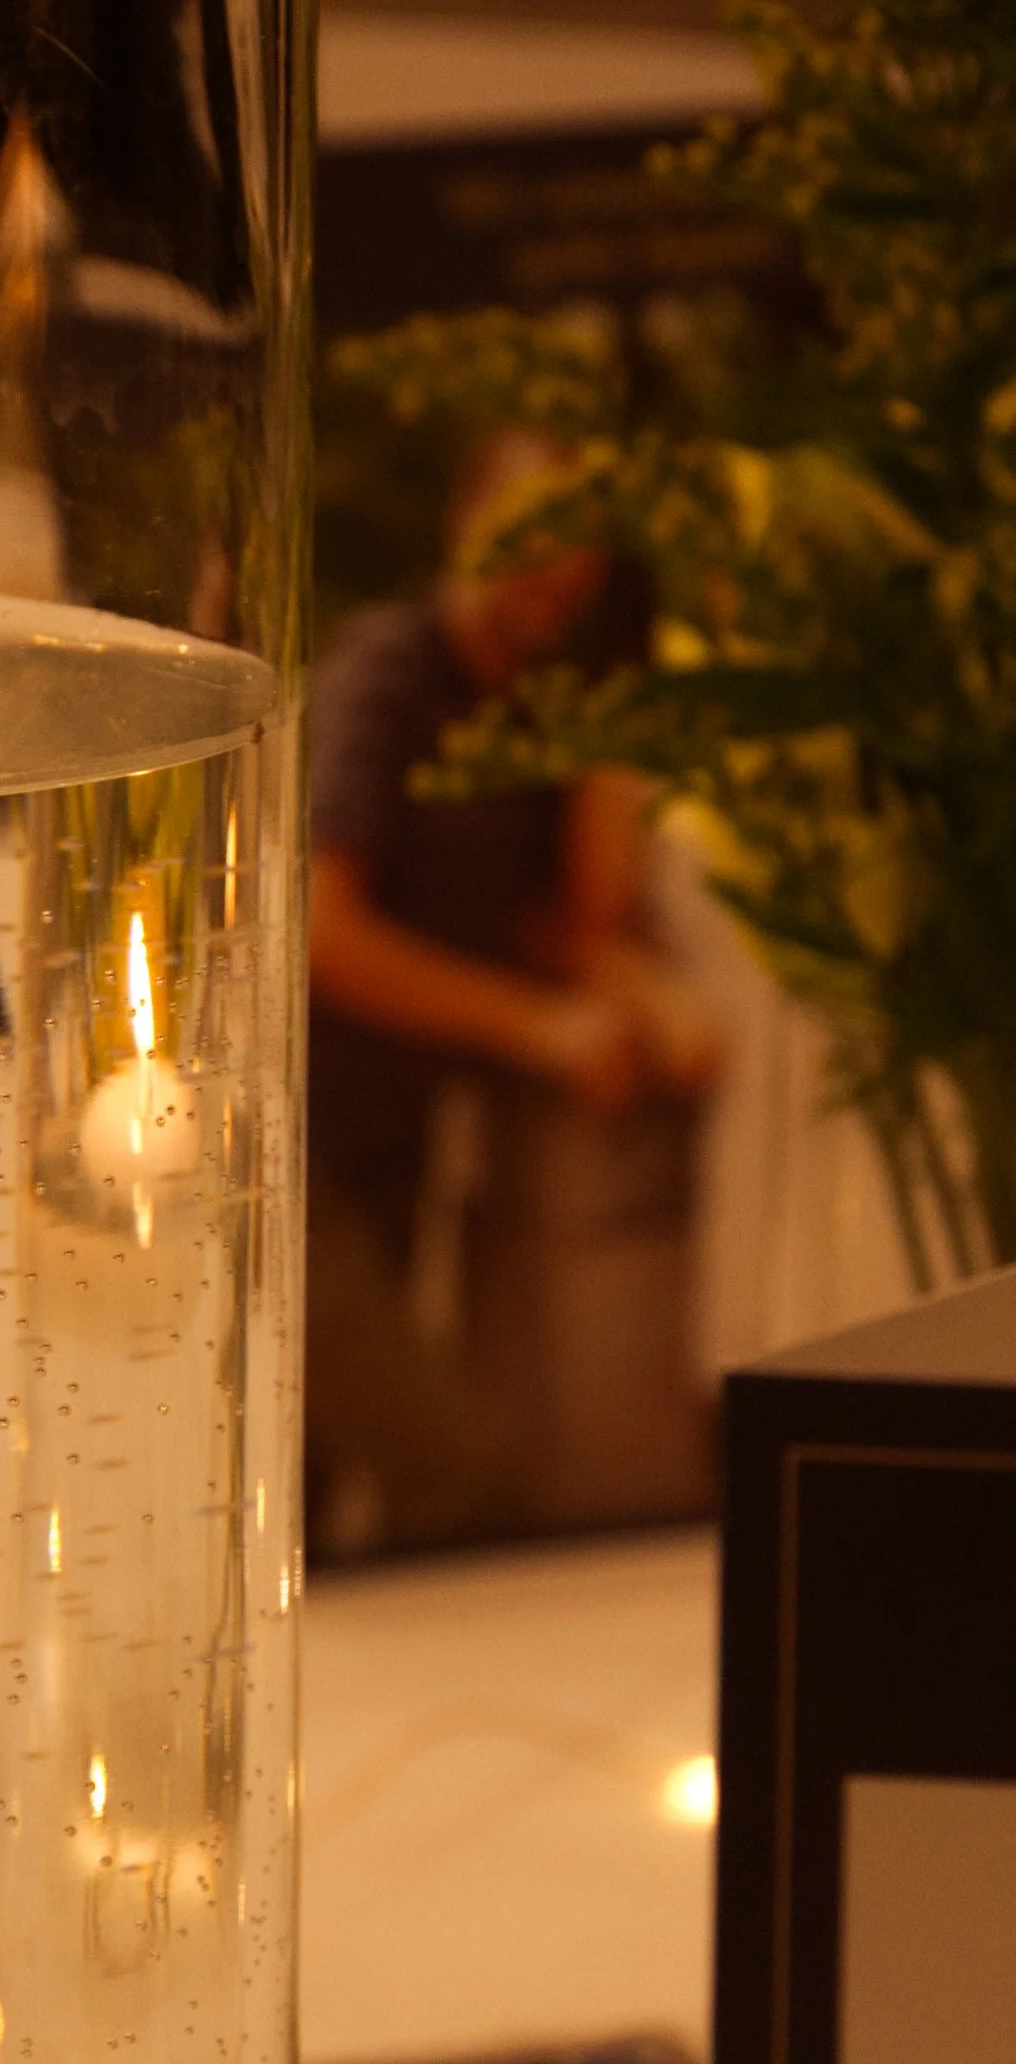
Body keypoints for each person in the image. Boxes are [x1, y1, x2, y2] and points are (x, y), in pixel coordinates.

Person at [305, 431, 718, 1551]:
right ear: (463, 523)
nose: (554, 577)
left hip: (393, 1153)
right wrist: (542, 1030)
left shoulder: (539, 705)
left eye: (577, 556)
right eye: (531, 543)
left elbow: (551, 922)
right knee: (456, 1479)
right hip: (282, 1160)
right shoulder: (385, 675)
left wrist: (646, 994)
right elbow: (319, 932)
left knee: (318, 1492)